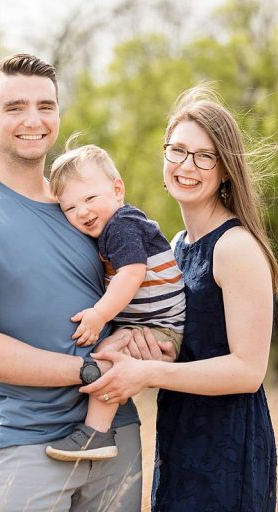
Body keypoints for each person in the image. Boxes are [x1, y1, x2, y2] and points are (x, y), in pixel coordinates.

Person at [0, 54, 155, 512]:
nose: (33, 120)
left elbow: (138, 288)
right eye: (14, 108)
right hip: (27, 446)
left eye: (45, 106)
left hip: (115, 435)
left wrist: (142, 343)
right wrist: (91, 371)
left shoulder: (86, 209)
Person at [81, 86, 278, 512]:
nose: (187, 166)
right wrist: (141, 346)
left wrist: (148, 373)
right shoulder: (175, 245)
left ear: (226, 169)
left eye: (204, 156)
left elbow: (248, 370)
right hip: (180, 434)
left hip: (228, 446)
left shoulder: (235, 247)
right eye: (177, 151)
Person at [44, 141, 185, 461]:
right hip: (152, 324)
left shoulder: (121, 225)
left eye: (90, 198)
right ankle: (96, 429)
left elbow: (132, 274)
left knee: (107, 357)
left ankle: (96, 433)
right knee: (105, 353)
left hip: (159, 328)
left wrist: (98, 314)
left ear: (117, 189)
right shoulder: (113, 227)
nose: (82, 211)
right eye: (69, 207)